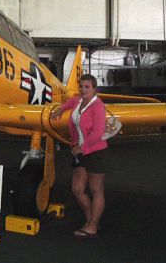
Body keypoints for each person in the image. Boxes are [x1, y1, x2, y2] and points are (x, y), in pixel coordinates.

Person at [50, 74, 110, 239]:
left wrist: (81, 147)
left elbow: (98, 132)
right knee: (77, 189)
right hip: (79, 151)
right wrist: (60, 109)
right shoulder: (78, 101)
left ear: (94, 89)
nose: (83, 90)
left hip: (95, 151)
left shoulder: (98, 106)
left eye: (87, 87)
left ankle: (92, 227)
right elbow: (69, 102)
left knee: (96, 190)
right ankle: (93, 220)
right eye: (81, 86)